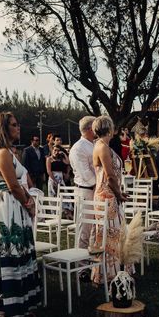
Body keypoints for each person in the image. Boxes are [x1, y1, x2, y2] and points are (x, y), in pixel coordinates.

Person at [0, 112, 40, 317]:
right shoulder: (2, 153)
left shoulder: (9, 151)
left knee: (20, 248)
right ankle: (8, 306)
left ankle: (18, 302)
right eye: (14, 125)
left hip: (13, 202)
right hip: (7, 205)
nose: (19, 128)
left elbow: (19, 184)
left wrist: (28, 200)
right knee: (11, 249)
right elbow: (13, 186)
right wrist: (29, 204)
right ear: (3, 128)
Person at [91, 116, 128, 284]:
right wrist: (119, 194)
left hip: (107, 193)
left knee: (109, 232)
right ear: (109, 128)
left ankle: (108, 271)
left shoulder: (102, 145)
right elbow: (110, 176)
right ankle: (110, 273)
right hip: (107, 195)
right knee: (111, 232)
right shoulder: (102, 147)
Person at [68, 116, 96, 280]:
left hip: (95, 190)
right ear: (89, 129)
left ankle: (93, 262)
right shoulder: (78, 148)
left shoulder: (92, 145)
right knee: (84, 229)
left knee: (95, 229)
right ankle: (81, 268)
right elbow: (85, 174)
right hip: (85, 191)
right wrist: (100, 186)